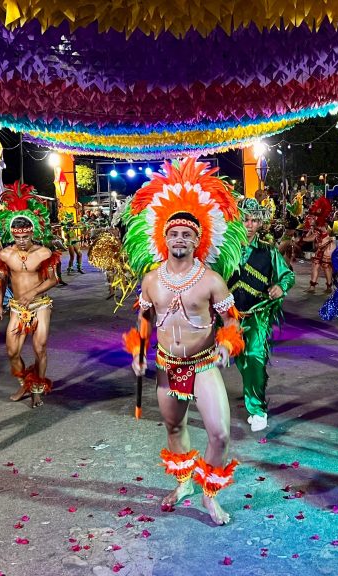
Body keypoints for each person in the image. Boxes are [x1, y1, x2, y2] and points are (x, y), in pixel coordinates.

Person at [121, 158, 246, 526]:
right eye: (174, 233)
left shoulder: (211, 280)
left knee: (219, 433)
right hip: (166, 366)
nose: (179, 239)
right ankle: (184, 483)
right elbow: (144, 318)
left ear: (198, 240)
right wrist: (139, 351)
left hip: (203, 364)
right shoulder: (151, 281)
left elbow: (231, 319)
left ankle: (210, 495)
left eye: (186, 235)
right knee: (174, 428)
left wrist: (226, 344)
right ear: (164, 238)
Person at [228, 198, 294, 432]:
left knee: (255, 357)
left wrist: (280, 287)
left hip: (258, 313)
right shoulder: (224, 249)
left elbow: (287, 275)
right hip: (228, 316)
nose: (250, 225)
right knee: (241, 360)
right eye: (245, 220)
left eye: (254, 220)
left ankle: (257, 409)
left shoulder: (268, 250)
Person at [0, 184, 60, 407]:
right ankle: (26, 383)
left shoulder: (43, 253)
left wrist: (32, 292)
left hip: (40, 304)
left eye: (25, 236)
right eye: (17, 236)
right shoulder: (5, 254)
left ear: (33, 232)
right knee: (12, 352)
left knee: (40, 347)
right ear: (11, 233)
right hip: (17, 307)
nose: (21, 240)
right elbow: (2, 280)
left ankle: (37, 390)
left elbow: (53, 279)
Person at [301, 198, 335, 294]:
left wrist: (301, 240)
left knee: (326, 266)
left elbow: (312, 237)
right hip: (321, 248)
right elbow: (311, 236)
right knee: (315, 265)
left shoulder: (321, 225)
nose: (309, 219)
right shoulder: (316, 226)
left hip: (328, 247)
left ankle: (329, 286)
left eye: (311, 217)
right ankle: (312, 287)